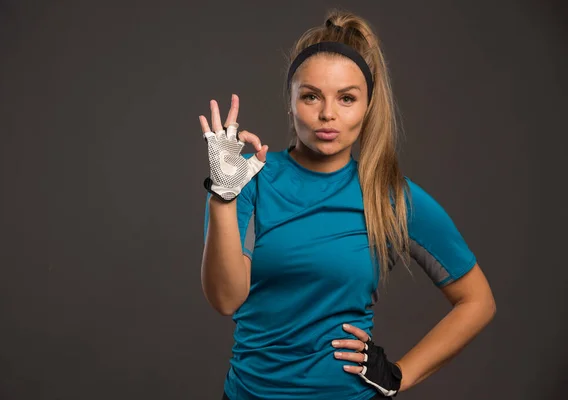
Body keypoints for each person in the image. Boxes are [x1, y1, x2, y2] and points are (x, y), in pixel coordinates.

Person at [199, 9, 496, 400]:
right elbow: (225, 299)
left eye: (347, 98)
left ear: (368, 106)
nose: (328, 113)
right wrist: (224, 196)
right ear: (290, 102)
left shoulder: (389, 196)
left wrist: (398, 375)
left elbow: (477, 302)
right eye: (311, 96)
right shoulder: (247, 180)